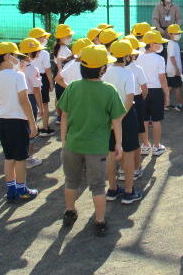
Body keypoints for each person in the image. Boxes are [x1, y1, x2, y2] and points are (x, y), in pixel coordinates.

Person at [57, 45, 125, 236]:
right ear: (102, 69)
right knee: (98, 186)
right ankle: (100, 221)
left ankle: (69, 211)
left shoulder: (73, 87)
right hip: (97, 147)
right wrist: (118, 143)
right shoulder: (109, 90)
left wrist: (64, 140)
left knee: (71, 181)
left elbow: (64, 115)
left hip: (72, 144)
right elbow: (117, 120)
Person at [0, 42, 39, 202]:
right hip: (18, 122)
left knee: (9, 157)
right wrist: (32, 123)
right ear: (7, 57)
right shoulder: (19, 76)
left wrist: (20, 71)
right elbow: (24, 101)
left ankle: (11, 190)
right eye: (15, 56)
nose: (18, 59)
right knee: (20, 158)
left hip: (3, 122)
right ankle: (22, 189)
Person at [103, 40, 142, 205]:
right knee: (128, 153)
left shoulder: (106, 72)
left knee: (111, 154)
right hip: (126, 117)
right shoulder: (128, 74)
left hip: (109, 116)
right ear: (126, 56)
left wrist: (113, 119)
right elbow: (129, 99)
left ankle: (112, 189)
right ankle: (128, 191)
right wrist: (120, 118)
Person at [134, 30, 171, 156]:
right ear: (151, 44)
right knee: (156, 120)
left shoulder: (138, 57)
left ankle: (145, 145)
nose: (161, 45)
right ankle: (156, 146)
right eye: (158, 43)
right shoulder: (159, 59)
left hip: (141, 91)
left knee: (143, 119)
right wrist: (167, 94)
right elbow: (162, 79)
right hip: (156, 92)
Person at [19, 37, 46, 169]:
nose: (39, 53)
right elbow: (36, 90)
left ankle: (19, 156)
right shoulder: (32, 69)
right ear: (30, 53)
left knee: (21, 127)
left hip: (17, 99)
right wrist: (41, 107)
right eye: (37, 51)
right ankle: (28, 158)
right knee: (31, 128)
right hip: (29, 99)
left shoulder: (16, 66)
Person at [124, 34, 149, 177]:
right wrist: (141, 99)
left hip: (121, 101)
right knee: (135, 136)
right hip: (136, 100)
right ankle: (136, 167)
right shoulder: (137, 69)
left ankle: (123, 169)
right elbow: (144, 89)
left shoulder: (110, 68)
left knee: (121, 136)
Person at [28, 27, 55, 137]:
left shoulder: (26, 51)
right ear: (37, 39)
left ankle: (31, 128)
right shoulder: (44, 53)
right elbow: (47, 69)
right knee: (44, 104)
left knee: (30, 103)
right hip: (41, 78)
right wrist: (51, 83)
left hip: (27, 77)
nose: (45, 39)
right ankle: (45, 127)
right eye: (43, 37)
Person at [53, 24, 74, 125]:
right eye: (68, 36)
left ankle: (60, 117)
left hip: (59, 74)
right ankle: (62, 117)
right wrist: (61, 70)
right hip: (63, 75)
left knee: (59, 97)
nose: (70, 38)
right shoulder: (63, 49)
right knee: (64, 98)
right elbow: (60, 60)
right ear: (61, 37)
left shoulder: (59, 47)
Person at [165, 24, 183, 111]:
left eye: (179, 33)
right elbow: (172, 57)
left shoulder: (172, 43)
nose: (178, 35)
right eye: (176, 33)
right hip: (174, 70)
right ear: (170, 34)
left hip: (171, 70)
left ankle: (166, 104)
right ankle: (179, 104)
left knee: (170, 87)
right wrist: (176, 69)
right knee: (177, 87)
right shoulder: (172, 44)